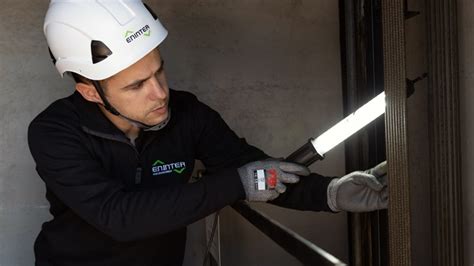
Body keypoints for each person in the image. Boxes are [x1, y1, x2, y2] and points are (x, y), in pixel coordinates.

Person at [28, 1, 388, 265]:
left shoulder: (186, 114)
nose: (160, 93)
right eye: (136, 86)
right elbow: (119, 217)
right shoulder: (54, 133)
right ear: (90, 92)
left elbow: (250, 168)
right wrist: (237, 183)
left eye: (159, 72)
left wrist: (329, 193)